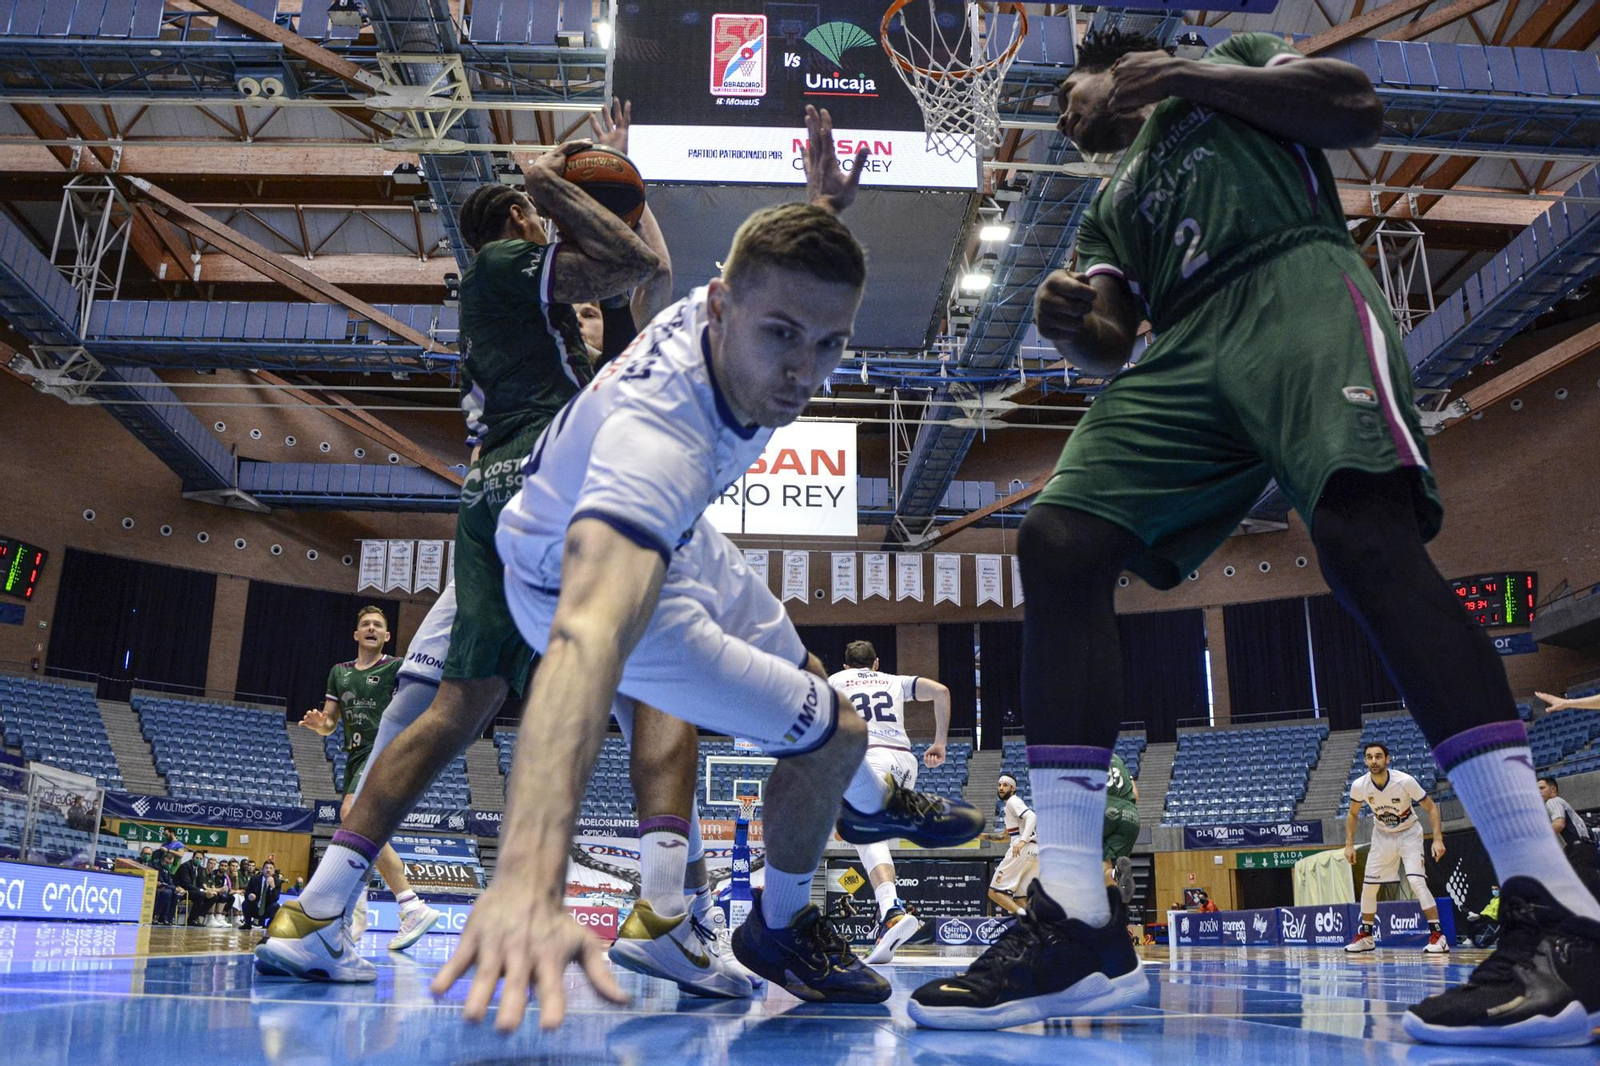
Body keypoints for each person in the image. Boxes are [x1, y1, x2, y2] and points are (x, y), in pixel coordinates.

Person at [909, 27, 1600, 1044]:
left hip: (1293, 287)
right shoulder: (1107, 205)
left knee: (1360, 536)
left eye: (1070, 90)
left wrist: (1185, 74)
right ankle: (1077, 922)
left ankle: (1557, 912)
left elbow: (1354, 108)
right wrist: (1072, 327)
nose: (1061, 113)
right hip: (1186, 349)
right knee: (1058, 540)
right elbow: (1108, 338)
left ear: (1119, 66)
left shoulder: (1227, 64)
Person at [428, 106, 984, 1033]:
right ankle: (783, 925)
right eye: (781, 338)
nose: (804, 370)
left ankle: (875, 805)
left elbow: (785, 281)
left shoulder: (733, 306)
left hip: (684, 540)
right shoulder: (662, 445)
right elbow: (585, 638)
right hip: (569, 579)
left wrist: (822, 208)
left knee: (805, 676)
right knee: (837, 729)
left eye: (829, 343)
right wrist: (529, 873)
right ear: (722, 310)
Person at [255, 99, 669, 985]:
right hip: (550, 491)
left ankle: (321, 904)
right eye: (584, 309)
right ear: (526, 230)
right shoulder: (514, 274)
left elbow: (639, 282)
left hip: (490, 500)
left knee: (450, 703)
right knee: (651, 695)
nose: (589, 315)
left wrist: (614, 168)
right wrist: (572, 174)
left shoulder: (560, 335)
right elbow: (637, 262)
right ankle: (663, 908)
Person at [297, 604, 442, 950]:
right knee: (364, 828)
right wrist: (322, 726)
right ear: (357, 634)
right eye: (366, 624)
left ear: (387, 636)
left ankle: (389, 906)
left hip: (384, 748)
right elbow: (331, 722)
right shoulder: (339, 672)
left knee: (351, 815)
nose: (372, 628)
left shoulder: (394, 667)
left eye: (378, 624)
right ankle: (390, 906)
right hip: (354, 755)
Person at [826, 640, 953, 963]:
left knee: (864, 833)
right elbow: (941, 691)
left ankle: (890, 910)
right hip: (904, 761)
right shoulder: (894, 681)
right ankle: (886, 913)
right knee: (873, 835)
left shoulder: (835, 681)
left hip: (867, 758)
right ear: (876, 663)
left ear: (846, 666)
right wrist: (939, 743)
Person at [1343, 742, 1449, 954]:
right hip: (1382, 836)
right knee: (1369, 887)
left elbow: (1431, 807)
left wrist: (1437, 839)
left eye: (1378, 756)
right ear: (1365, 761)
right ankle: (1366, 936)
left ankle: (1438, 936)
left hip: (1409, 833)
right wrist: (1349, 844)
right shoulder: (1360, 785)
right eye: (1370, 757)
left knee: (1417, 881)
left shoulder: (1404, 781)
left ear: (1387, 759)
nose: (1374, 761)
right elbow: (1352, 813)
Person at [985, 774, 1037, 917]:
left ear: (1013, 788)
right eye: (999, 785)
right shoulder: (1011, 807)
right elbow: (1003, 836)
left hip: (1022, 849)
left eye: (1005, 785)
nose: (1001, 788)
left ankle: (1024, 917)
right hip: (1034, 852)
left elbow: (1032, 816)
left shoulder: (1013, 801)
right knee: (1021, 899)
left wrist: (1022, 841)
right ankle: (1036, 930)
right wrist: (978, 835)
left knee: (994, 892)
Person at [1103, 752, 1140, 905]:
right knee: (1107, 867)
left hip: (1104, 809)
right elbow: (1136, 795)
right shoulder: (1118, 759)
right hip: (1130, 815)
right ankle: (1115, 873)